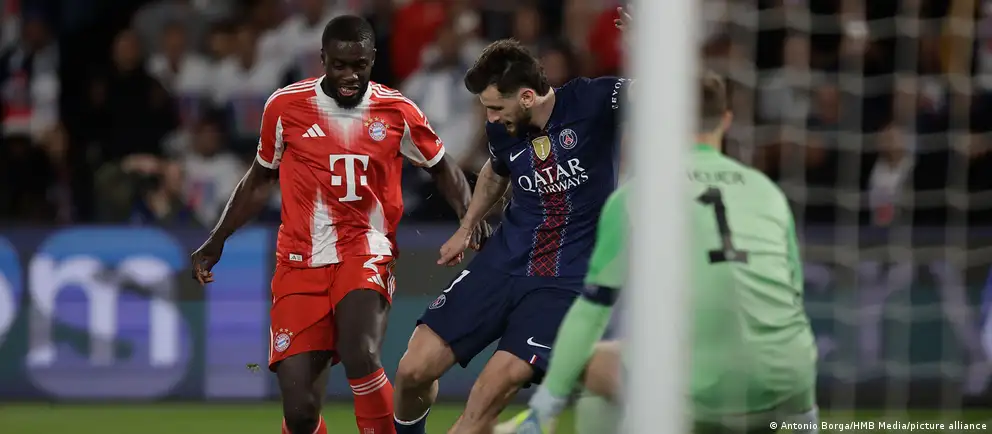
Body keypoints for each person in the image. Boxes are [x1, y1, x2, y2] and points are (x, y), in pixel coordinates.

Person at [190, 15, 484, 434]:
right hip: (299, 261)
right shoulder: (285, 106)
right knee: (300, 413)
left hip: (365, 249)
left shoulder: (397, 110)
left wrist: (469, 217)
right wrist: (217, 238)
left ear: (372, 59)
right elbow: (258, 179)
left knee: (360, 351)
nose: (350, 76)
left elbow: (443, 167)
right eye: (340, 65)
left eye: (359, 65)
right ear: (323, 59)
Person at [499, 71, 821, 434]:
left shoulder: (640, 195)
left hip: (705, 387)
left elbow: (591, 312)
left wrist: (544, 408)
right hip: (790, 385)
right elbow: (794, 295)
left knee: (585, 362)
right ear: (726, 120)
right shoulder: (767, 191)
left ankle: (540, 420)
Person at [391, 30, 632, 434]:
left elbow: (661, 93)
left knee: (486, 395)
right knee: (413, 369)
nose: (489, 118)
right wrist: (467, 225)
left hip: (564, 281)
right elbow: (495, 170)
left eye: (495, 108)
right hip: (504, 261)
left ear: (527, 97)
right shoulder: (505, 128)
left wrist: (645, 42)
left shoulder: (593, 100)